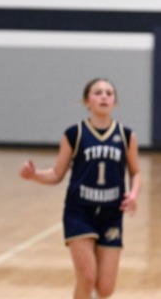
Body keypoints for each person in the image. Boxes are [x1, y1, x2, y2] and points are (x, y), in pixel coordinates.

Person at [20, 78, 142, 299]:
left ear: (115, 102)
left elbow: (136, 172)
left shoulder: (126, 136)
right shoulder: (74, 134)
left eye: (109, 93)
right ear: (87, 101)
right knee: (87, 277)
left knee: (105, 288)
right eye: (98, 92)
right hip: (80, 212)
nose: (104, 96)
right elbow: (57, 174)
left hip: (111, 214)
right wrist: (34, 175)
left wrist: (133, 195)